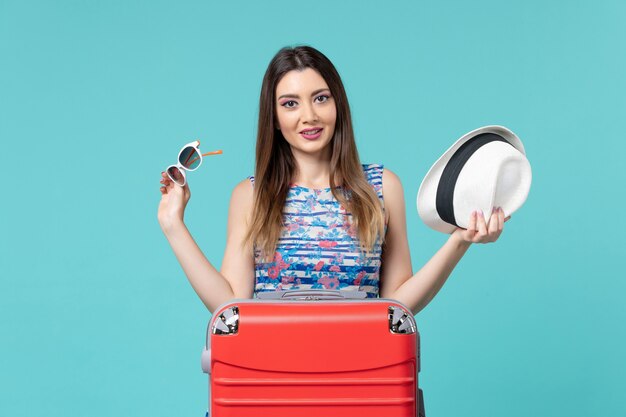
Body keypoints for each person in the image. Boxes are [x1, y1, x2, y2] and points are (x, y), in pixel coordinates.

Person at [157, 45, 509, 315]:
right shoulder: (250, 195)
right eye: (290, 104)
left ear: (338, 104)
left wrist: (459, 241)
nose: (309, 116)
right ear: (275, 118)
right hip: (274, 378)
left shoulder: (382, 188)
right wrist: (173, 224)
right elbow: (232, 305)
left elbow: (397, 306)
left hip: (361, 378)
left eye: (320, 98)